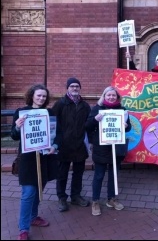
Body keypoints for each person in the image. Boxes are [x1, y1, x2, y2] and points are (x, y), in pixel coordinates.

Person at [11, 84, 61, 240]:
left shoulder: (49, 112)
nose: (41, 98)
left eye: (44, 96)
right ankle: (23, 229)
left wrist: (55, 145)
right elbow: (14, 136)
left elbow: (57, 134)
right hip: (28, 159)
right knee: (28, 193)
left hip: (45, 158)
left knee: (39, 189)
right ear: (32, 95)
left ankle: (33, 217)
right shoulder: (21, 113)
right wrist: (18, 127)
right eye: (39, 95)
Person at [85, 86, 131, 216]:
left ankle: (111, 199)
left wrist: (126, 126)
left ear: (117, 97)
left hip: (116, 148)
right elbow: (87, 125)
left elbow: (128, 128)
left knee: (113, 175)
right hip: (101, 148)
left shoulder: (122, 110)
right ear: (104, 96)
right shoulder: (97, 109)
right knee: (99, 175)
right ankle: (95, 201)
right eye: (108, 95)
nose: (111, 97)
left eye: (113, 95)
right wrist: (95, 119)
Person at [52, 77, 91, 212]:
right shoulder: (60, 104)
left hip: (80, 145)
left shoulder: (85, 106)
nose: (75, 88)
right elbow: (52, 123)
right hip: (63, 146)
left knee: (78, 173)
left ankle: (76, 196)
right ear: (67, 88)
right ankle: (62, 197)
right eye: (72, 86)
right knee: (62, 174)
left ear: (80, 88)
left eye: (77, 86)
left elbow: (89, 124)